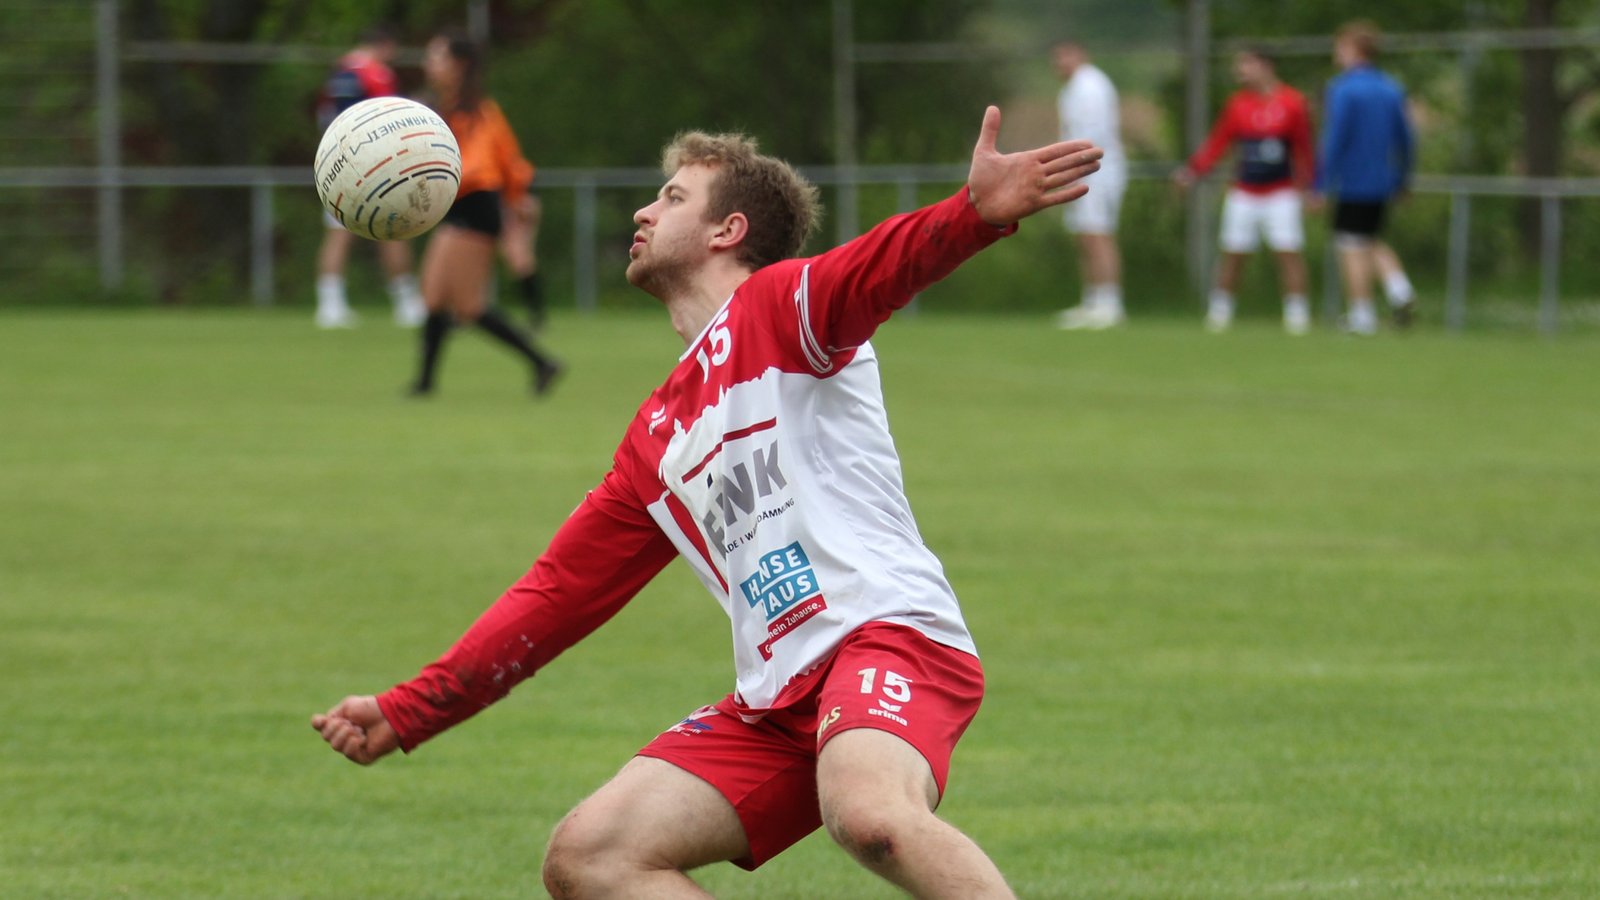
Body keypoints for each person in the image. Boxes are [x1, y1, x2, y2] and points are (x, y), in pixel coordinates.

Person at [312, 107, 1102, 897]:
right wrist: (412, 709)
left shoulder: (780, 306)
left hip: (887, 636)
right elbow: (554, 596)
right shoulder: (655, 436)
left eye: (671, 197)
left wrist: (970, 217)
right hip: (777, 697)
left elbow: (878, 266)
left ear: (728, 230)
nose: (642, 211)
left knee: (870, 815)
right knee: (591, 856)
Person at [408, 31, 561, 397]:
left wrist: (518, 198)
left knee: (469, 307)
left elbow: (489, 165)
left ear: (459, 66)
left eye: (437, 57)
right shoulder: (444, 107)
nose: (429, 64)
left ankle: (542, 362)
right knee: (432, 296)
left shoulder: (476, 111)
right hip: (458, 205)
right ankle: (425, 384)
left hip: (476, 205)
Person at [1174, 48, 1315, 334]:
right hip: (1245, 192)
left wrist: (1311, 187)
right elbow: (1219, 143)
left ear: (1266, 66)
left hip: (1281, 192)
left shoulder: (1292, 102)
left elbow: (1304, 148)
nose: (1241, 71)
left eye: (1247, 65)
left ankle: (1297, 316)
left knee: (1288, 252)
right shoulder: (1237, 105)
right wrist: (1193, 171)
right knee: (1233, 253)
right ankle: (1220, 313)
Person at [313, 24, 427, 330]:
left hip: (336, 164)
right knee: (395, 226)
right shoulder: (375, 74)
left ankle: (330, 304)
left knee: (337, 234)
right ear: (386, 46)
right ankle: (406, 303)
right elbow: (387, 122)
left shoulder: (339, 71)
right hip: (374, 166)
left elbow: (326, 117)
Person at [1315, 20, 1417, 334]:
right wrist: (1403, 178)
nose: (1337, 54)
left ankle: (1362, 315)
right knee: (1370, 239)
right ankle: (1400, 290)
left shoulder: (1342, 89)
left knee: (1350, 245)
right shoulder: (1391, 88)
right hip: (1383, 180)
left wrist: (1320, 183)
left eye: (1340, 47)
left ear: (1353, 50)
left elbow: (1335, 139)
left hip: (1352, 181)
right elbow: (1407, 138)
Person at [1051, 41, 1128, 330]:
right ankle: (1093, 300)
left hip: (1099, 170)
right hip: (1078, 170)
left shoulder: (1092, 85)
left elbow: (1094, 134)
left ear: (1080, 54)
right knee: (1084, 235)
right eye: (1057, 58)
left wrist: (1079, 166)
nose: (1060, 63)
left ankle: (1110, 303)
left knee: (1099, 234)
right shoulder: (1069, 89)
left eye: (1065, 55)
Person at [500, 188, 549, 330]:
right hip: (505, 236)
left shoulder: (525, 197)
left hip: (516, 237)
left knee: (525, 271)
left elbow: (529, 212)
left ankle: (537, 315)